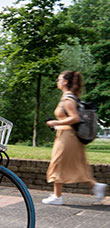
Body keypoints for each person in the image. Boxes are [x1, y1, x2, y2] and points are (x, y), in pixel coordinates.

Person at [42, 71, 107, 205]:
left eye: (59, 79)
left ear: (65, 82)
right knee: (77, 165)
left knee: (57, 163)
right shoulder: (70, 98)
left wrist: (55, 123)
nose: (57, 81)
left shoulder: (68, 99)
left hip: (67, 137)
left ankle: (57, 196)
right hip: (69, 136)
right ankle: (95, 186)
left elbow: (75, 118)